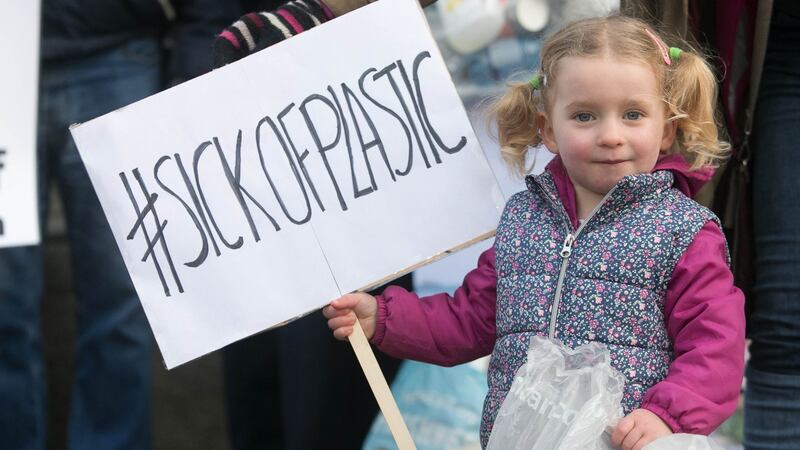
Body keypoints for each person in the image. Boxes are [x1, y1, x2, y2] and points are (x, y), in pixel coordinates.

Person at [324, 14, 746, 450]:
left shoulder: (684, 232)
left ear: (667, 130)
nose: (611, 135)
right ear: (548, 130)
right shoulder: (523, 219)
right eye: (585, 116)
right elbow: (470, 319)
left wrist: (667, 414)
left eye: (633, 115)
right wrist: (384, 318)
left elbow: (715, 343)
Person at [0, 2, 238, 449]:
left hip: (115, 54)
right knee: (11, 310)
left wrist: (194, 65)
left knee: (121, 302)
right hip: (41, 58)